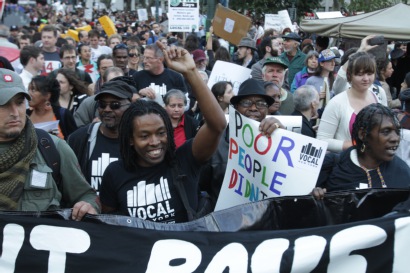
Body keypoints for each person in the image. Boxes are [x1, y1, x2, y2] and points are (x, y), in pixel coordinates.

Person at [99, 42, 227, 223]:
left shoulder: (185, 160)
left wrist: (190, 73)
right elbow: (108, 223)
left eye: (161, 132)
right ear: (130, 140)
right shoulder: (115, 174)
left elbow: (217, 125)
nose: (155, 142)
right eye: (144, 136)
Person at [0, 68, 99, 219]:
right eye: (4, 104)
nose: (15, 112)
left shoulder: (52, 148)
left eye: (20, 102)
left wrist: (87, 206)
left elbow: (86, 196)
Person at [198, 78, 284, 207]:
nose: (254, 108)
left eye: (261, 103)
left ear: (267, 109)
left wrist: (281, 137)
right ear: (236, 107)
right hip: (225, 220)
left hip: (266, 220)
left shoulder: (278, 137)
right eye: (246, 103)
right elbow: (199, 186)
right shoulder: (215, 144)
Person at [313, 103, 410, 199]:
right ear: (363, 135)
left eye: (397, 132)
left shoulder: (402, 171)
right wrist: (313, 197)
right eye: (386, 132)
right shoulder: (331, 166)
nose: (395, 138)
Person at [67, 80, 133, 192]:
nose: (107, 109)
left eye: (115, 105)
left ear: (129, 107)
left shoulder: (139, 140)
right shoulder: (79, 138)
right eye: (102, 104)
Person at [317, 51, 386, 153]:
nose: (366, 79)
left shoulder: (380, 93)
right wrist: (355, 145)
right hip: (346, 163)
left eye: (370, 73)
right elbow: (322, 140)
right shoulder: (336, 103)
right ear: (349, 75)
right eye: (360, 74)